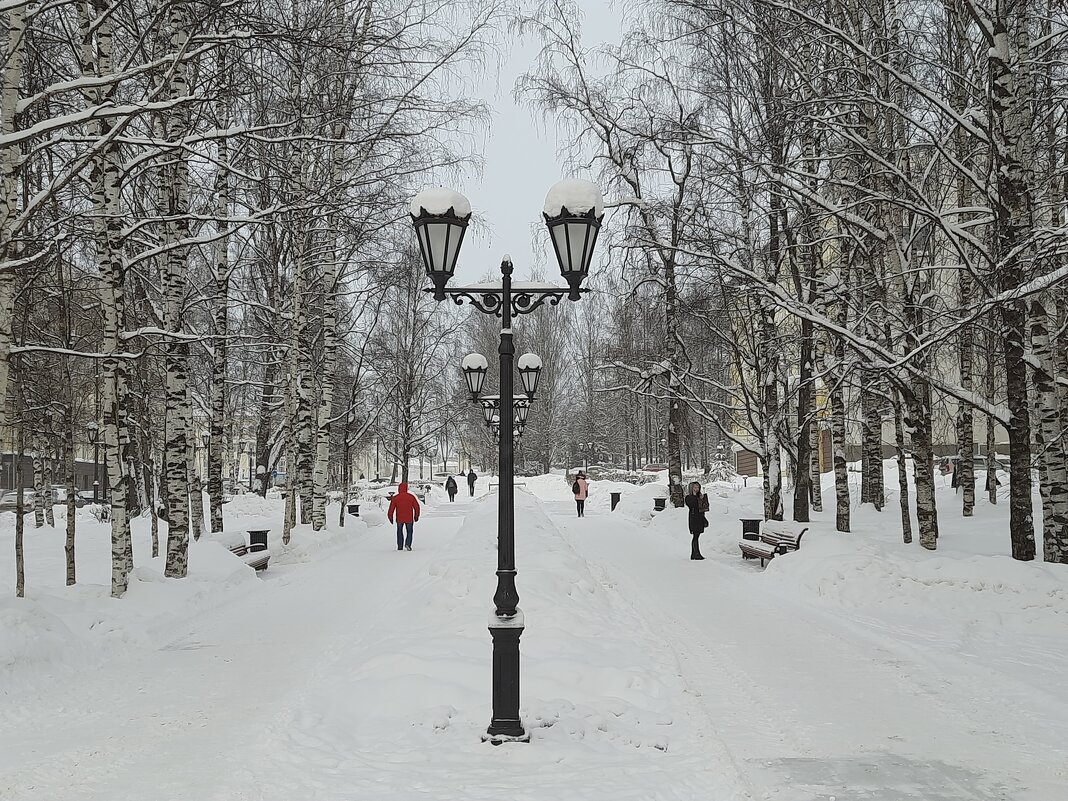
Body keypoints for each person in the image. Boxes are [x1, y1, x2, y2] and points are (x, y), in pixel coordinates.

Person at [387, 483, 421, 551]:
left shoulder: (396, 498)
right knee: (409, 531)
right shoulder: (411, 497)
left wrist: (390, 517)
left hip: (399, 518)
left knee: (399, 531)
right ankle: (408, 544)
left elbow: (391, 509)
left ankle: (400, 546)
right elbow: (417, 506)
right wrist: (416, 515)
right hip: (409, 518)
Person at [684, 481, 708, 560]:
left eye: (697, 487)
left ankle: (694, 554)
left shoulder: (700, 496)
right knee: (695, 536)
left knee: (697, 536)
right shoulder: (688, 497)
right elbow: (691, 504)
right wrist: (696, 497)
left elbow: (704, 507)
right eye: (694, 487)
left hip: (700, 518)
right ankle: (696, 553)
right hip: (694, 518)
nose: (696, 489)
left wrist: (702, 499)